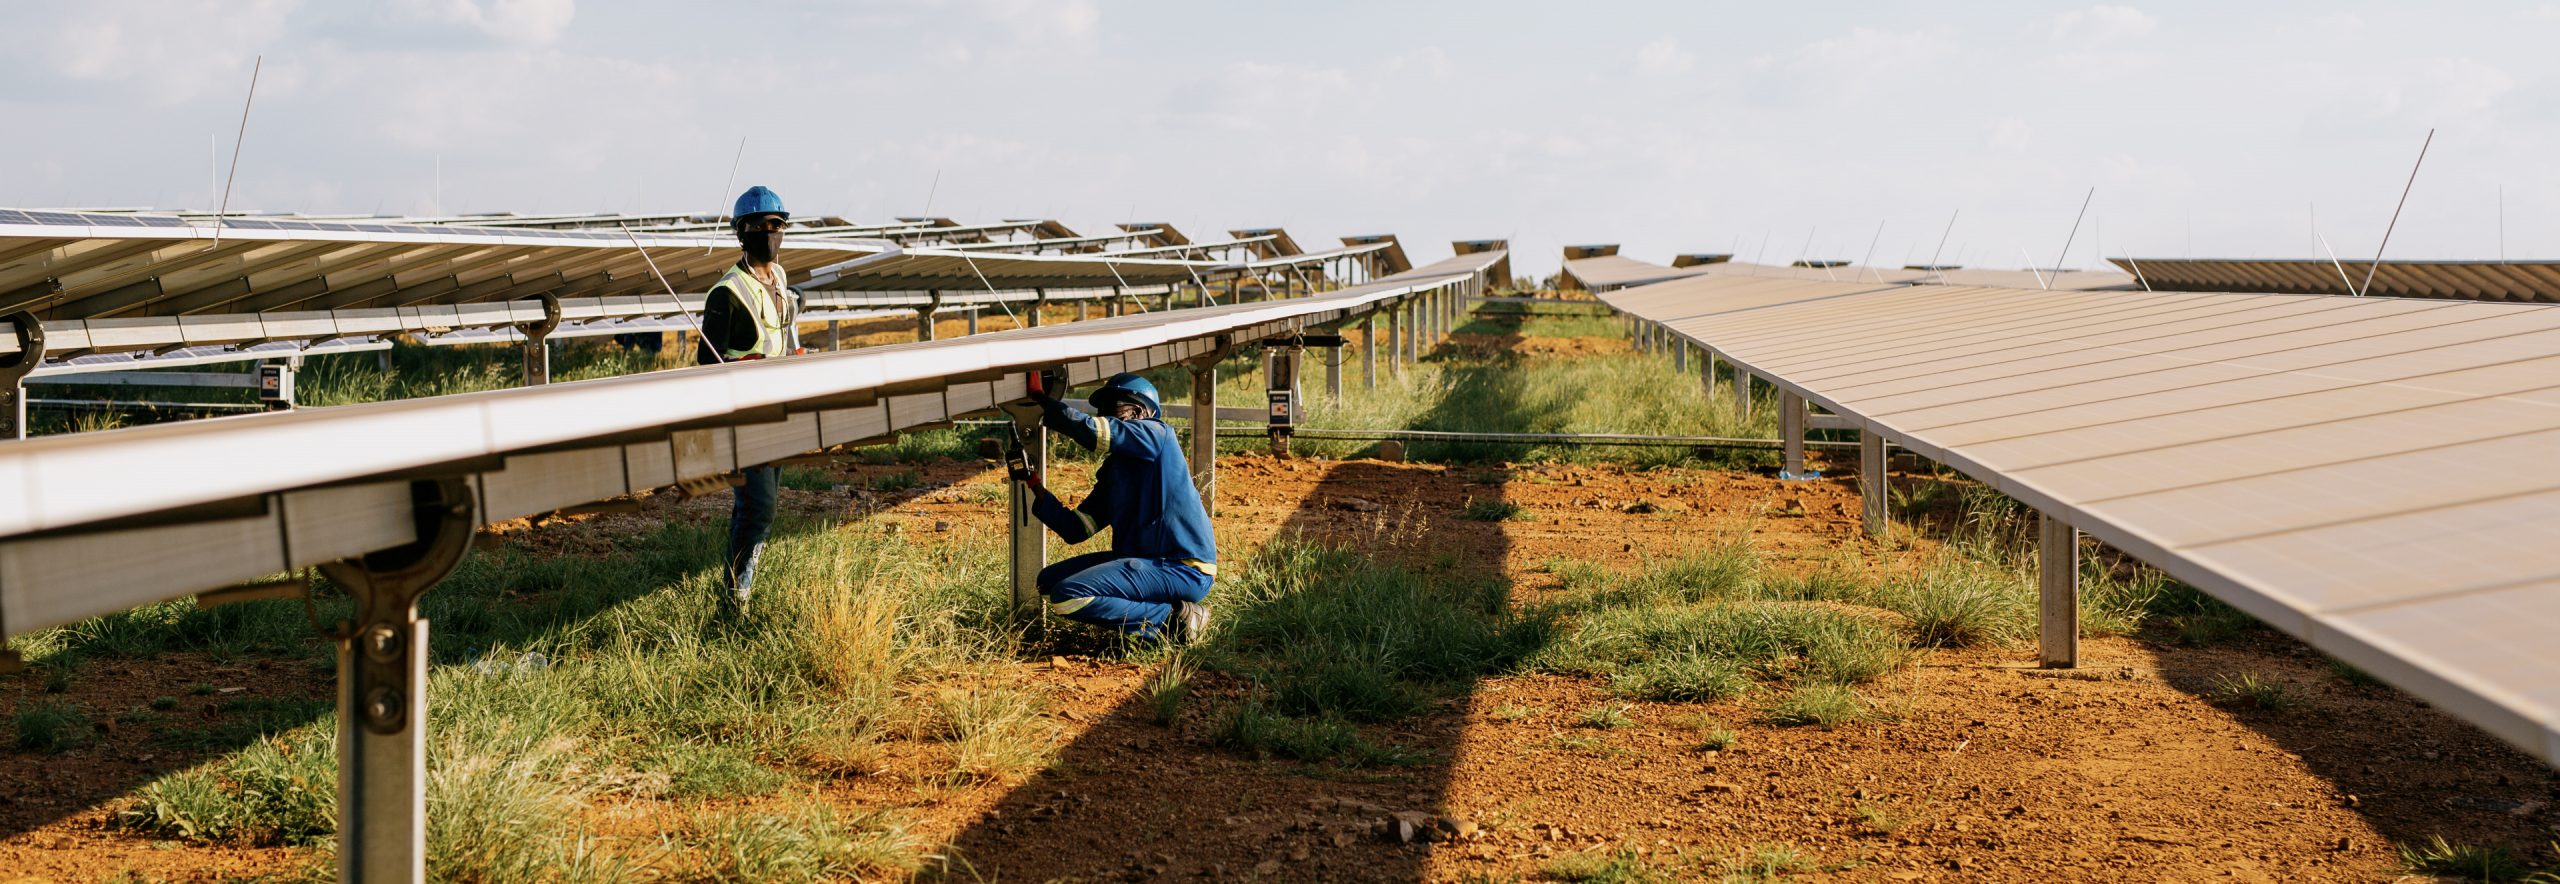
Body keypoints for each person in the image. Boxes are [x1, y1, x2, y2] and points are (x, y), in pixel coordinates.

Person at [1012, 372, 1216, 643]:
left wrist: (1041, 399)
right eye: (1103, 409)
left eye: (1115, 407)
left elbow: (1091, 431)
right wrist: (1033, 482)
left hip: (1184, 568)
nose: (1106, 415)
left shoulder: (1156, 434)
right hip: (1149, 565)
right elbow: (1076, 529)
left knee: (1068, 595)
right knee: (1050, 583)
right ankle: (1159, 614)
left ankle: (1174, 620)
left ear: (1141, 411)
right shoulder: (1115, 472)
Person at [698, 185, 802, 618]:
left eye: (776, 225)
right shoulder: (727, 294)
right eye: (759, 226)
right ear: (741, 233)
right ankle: (732, 603)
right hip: (746, 416)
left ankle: (740, 591)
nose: (769, 233)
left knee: (765, 507)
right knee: (757, 506)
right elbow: (707, 363)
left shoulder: (778, 281)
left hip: (777, 410)